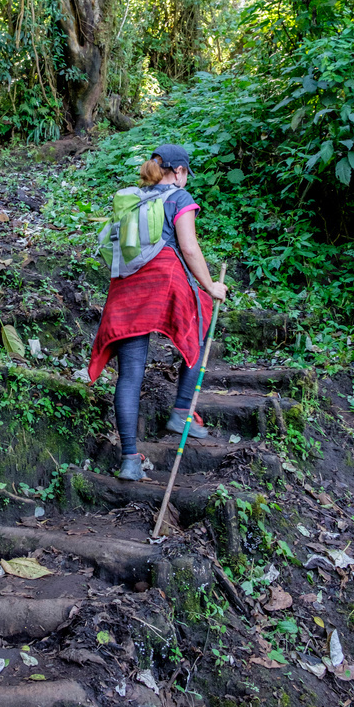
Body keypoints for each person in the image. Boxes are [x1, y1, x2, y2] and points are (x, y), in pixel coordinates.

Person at [88, 143, 228, 481]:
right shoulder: (179, 198)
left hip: (126, 289)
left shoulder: (134, 199)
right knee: (201, 325)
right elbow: (190, 248)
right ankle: (182, 411)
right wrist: (211, 286)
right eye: (185, 173)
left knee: (130, 375)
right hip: (163, 284)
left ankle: (130, 459)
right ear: (179, 172)